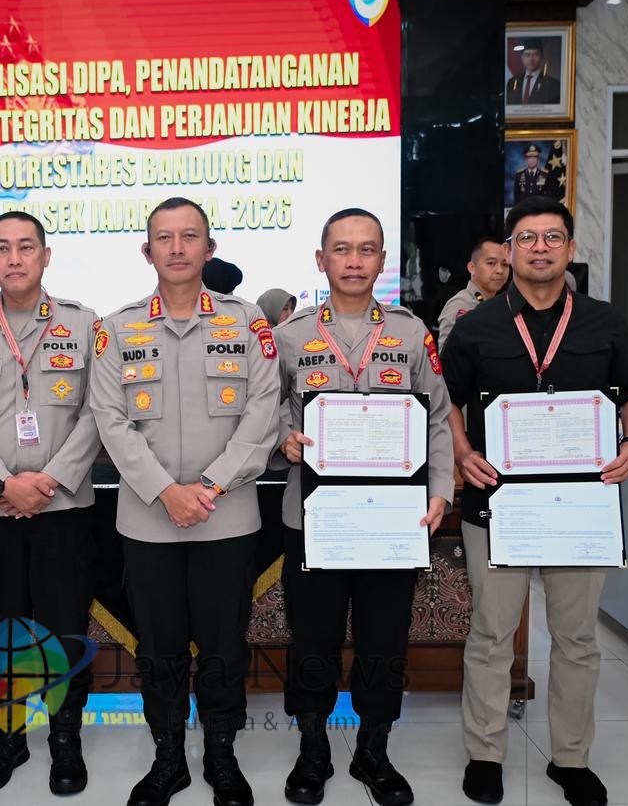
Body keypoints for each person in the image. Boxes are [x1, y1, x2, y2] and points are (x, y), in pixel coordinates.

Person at [441, 196, 628, 806]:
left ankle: (571, 759)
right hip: (497, 504)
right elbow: (445, 401)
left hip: (580, 507)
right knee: (491, 635)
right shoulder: (476, 326)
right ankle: (485, 754)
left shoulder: (604, 322)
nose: (540, 248)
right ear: (509, 252)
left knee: (577, 639)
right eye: (527, 238)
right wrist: (461, 452)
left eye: (552, 237)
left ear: (570, 249)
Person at [89, 197, 280, 806]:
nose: (177, 248)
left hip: (227, 517)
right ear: (147, 252)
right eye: (164, 238)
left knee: (225, 646)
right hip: (149, 520)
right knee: (159, 648)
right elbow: (109, 419)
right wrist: (167, 492)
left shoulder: (247, 323)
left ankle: (222, 756)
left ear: (209, 248)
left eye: (189, 236)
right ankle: (168, 757)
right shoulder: (117, 328)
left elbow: (263, 413)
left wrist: (211, 486)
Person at [273, 208, 453, 806]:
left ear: (382, 261)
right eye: (342, 249)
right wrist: (282, 438)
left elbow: (437, 418)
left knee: (384, 638)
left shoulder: (410, 332)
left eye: (367, 249)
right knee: (313, 637)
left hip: (392, 521)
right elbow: (263, 411)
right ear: (320, 259)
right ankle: (313, 747)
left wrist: (441, 489)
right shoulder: (289, 335)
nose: (354, 261)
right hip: (314, 518)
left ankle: (373, 748)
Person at [0, 210, 102, 795]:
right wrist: (3, 484)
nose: (14, 258)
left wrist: (48, 480)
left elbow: (100, 411)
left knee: (65, 626)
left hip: (64, 508)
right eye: (2, 248)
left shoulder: (85, 324)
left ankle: (65, 735)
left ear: (45, 256)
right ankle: (9, 737)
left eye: (26, 247)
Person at [437, 237, 510, 349]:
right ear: (472, 267)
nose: (500, 270)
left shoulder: (502, 306)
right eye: (491, 263)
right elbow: (449, 356)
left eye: (505, 264)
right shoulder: (462, 304)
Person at [505, 39, 561, 106]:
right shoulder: (511, 82)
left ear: (541, 57)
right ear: (522, 58)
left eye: (536, 55)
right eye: (527, 55)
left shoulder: (554, 84)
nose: (531, 59)